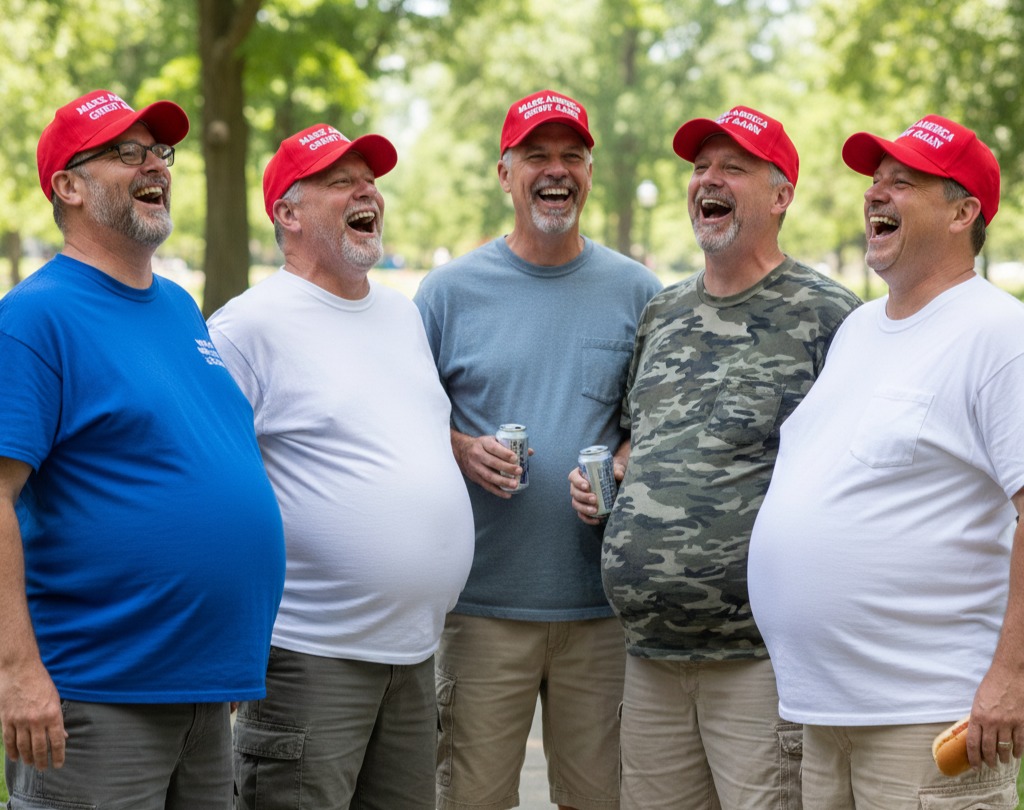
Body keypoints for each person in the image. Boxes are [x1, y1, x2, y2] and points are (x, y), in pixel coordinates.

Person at [0, 89, 285, 809]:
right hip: (97, 698)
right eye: (127, 152)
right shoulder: (35, 318)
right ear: (67, 185)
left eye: (160, 151)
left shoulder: (180, 307)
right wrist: (16, 672)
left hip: (201, 691)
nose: (154, 164)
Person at [571, 105, 860, 810]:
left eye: (734, 166)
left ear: (782, 193)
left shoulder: (830, 316)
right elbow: (639, 436)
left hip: (760, 663)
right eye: (701, 167)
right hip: (649, 660)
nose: (709, 179)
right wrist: (612, 480)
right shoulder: (661, 314)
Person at [748, 115, 1024, 808]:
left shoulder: (998, 332)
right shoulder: (861, 328)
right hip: (827, 715)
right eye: (875, 182)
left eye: (902, 183)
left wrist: (1012, 676)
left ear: (964, 213)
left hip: (927, 714)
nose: (876, 194)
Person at [207, 122, 475, 810]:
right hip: (308, 658)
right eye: (340, 180)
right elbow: (209, 488)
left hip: (415, 657)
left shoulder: (400, 316)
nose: (367, 191)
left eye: (370, 179)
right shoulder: (246, 329)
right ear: (287, 213)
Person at [413, 89, 661, 810]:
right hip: (482, 608)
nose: (556, 171)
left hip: (601, 615)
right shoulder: (449, 293)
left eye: (571, 156)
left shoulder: (637, 291)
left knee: (602, 801)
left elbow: (656, 421)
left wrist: (620, 462)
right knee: (472, 799)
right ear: (504, 172)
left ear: (590, 170)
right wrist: (458, 446)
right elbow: (401, 420)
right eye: (536, 156)